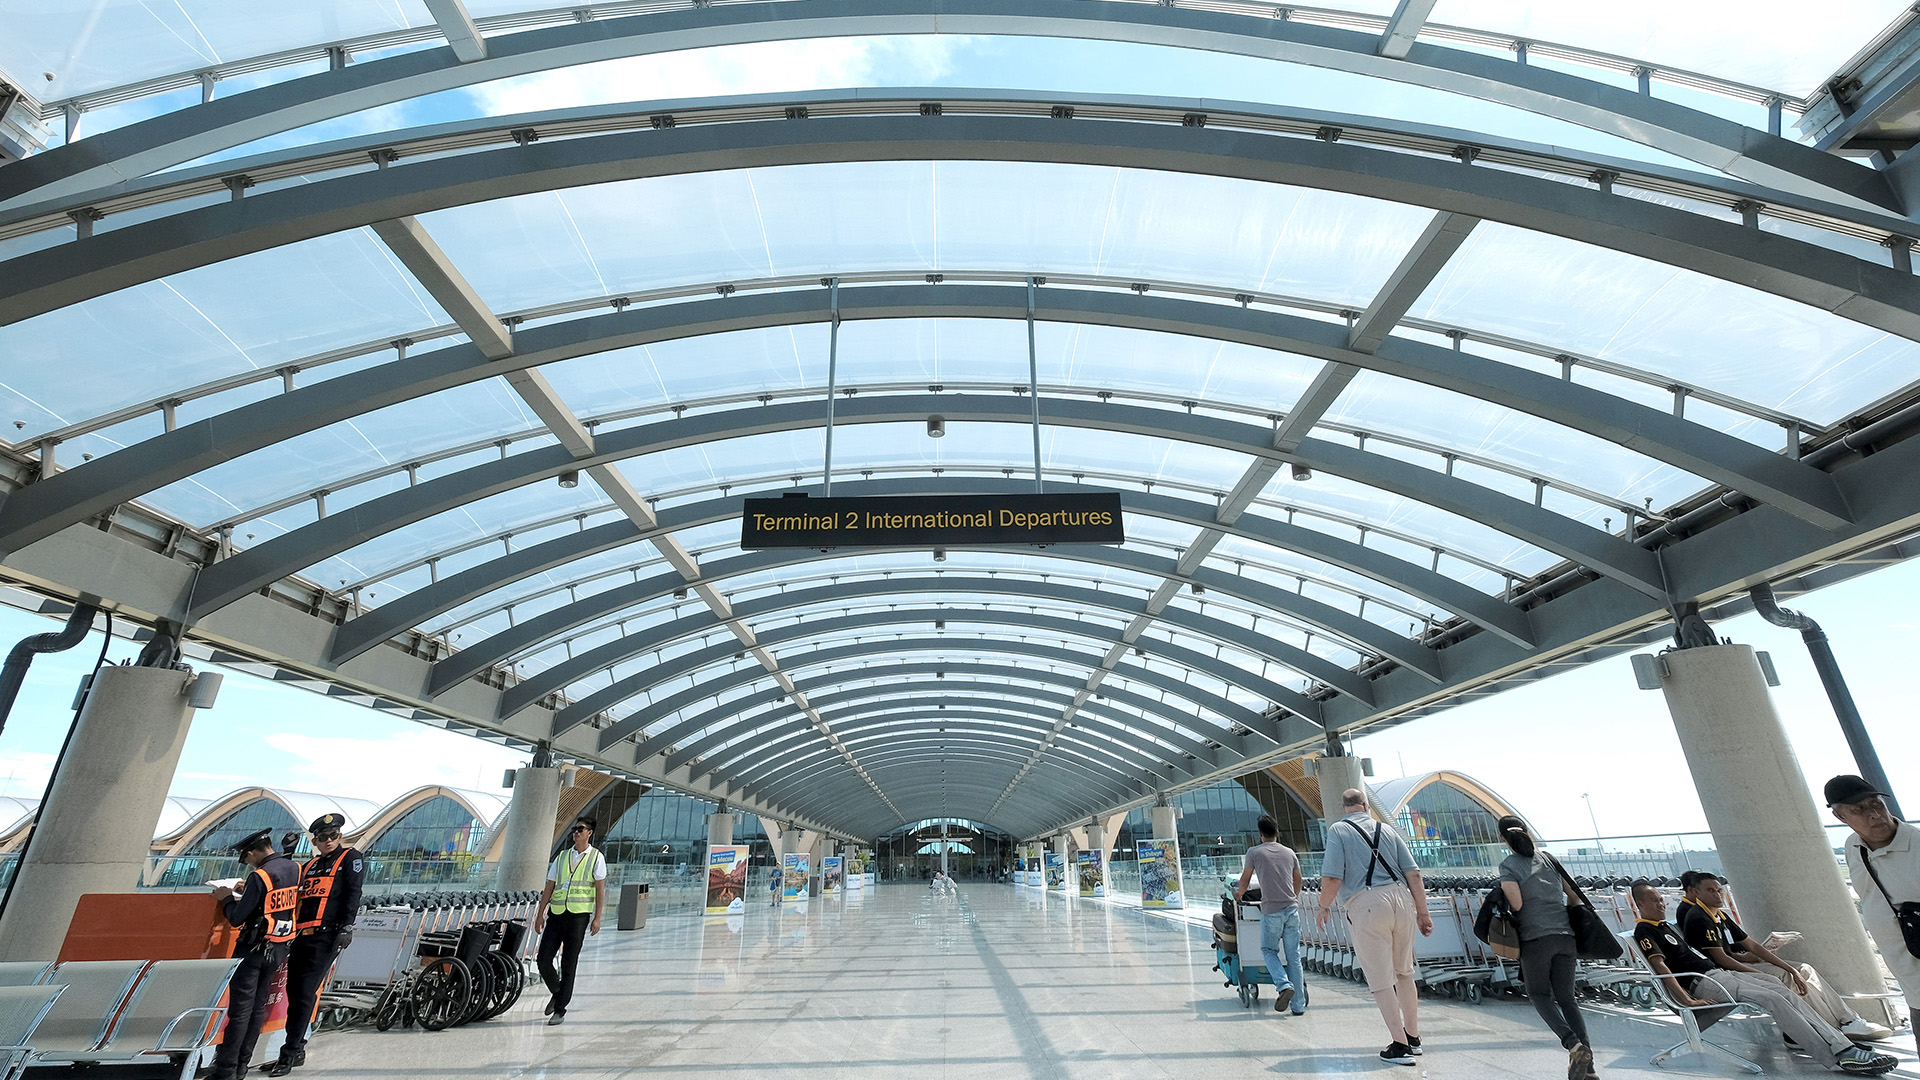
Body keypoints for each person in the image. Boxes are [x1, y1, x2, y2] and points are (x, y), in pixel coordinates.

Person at [1629, 881, 1893, 1074]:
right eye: (1654, 900)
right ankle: (1839, 1055)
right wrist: (1687, 1000)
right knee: (1773, 998)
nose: (1661, 903)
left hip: (1720, 975)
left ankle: (1840, 1042)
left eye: (1662, 898)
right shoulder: (1645, 931)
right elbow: (1662, 969)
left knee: (1779, 986)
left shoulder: (1664, 926)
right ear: (1639, 904)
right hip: (1705, 982)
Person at [1677, 871, 1891, 1041]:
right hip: (1726, 972)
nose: (1718, 895)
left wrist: (1785, 965)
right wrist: (1762, 970)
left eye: (1719, 890)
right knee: (1785, 977)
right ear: (1696, 892)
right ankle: (1827, 1026)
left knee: (1803, 969)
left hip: (1736, 962)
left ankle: (1847, 1019)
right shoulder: (1698, 917)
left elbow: (1750, 944)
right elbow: (1721, 958)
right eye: (1711, 891)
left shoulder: (1720, 914)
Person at [1314, 788, 1432, 1066]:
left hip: (1366, 903)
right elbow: (1414, 873)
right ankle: (1413, 1038)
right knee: (1404, 972)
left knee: (1380, 979)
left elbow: (1332, 878)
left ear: (1343, 807)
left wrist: (1323, 906)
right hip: (1402, 900)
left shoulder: (1338, 831)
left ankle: (1399, 1045)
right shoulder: (1388, 830)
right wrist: (1423, 913)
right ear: (1366, 806)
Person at [1495, 816, 1596, 1080]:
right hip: (1566, 937)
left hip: (1536, 939)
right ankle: (1590, 1068)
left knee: (1539, 994)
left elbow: (1516, 904)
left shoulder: (1508, 865)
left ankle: (1572, 1044)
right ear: (1527, 833)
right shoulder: (1549, 859)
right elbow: (1573, 896)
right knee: (1568, 999)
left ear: (1502, 839)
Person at [264, 814, 364, 1077]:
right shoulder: (309, 866)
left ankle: (288, 1053)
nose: (329, 841)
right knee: (295, 993)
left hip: (326, 937)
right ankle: (296, 1049)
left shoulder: (350, 859)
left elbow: (354, 893)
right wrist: (286, 854)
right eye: (323, 838)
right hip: (301, 937)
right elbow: (287, 885)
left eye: (333, 836)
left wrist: (347, 926)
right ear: (316, 842)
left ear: (340, 836)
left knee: (305, 993)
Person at [1828, 775, 1920, 1057]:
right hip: (1906, 970)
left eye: (1877, 804)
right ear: (1839, 815)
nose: (1874, 814)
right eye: (1859, 810)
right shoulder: (1853, 848)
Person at [208, 829, 299, 1080]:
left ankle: (226, 1071)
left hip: (254, 949)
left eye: (246, 859)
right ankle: (242, 1066)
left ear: (251, 853)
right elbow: (275, 897)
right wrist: (248, 888)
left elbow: (237, 918)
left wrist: (227, 897)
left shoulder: (260, 875)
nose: (248, 863)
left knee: (240, 1012)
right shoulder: (293, 868)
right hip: (279, 947)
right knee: (257, 1009)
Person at [535, 816, 605, 1027]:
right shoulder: (563, 857)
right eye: (575, 829)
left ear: (589, 833)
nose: (576, 832)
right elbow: (549, 886)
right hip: (556, 914)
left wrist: (597, 918)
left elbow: (600, 890)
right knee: (543, 959)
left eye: (580, 829)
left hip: (578, 916)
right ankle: (558, 993)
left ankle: (560, 1009)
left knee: (569, 963)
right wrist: (540, 913)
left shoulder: (596, 858)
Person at [1233, 814, 1305, 1016]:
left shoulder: (1254, 852)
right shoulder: (1290, 853)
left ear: (1261, 834)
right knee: (1294, 957)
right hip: (1291, 909)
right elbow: (1298, 880)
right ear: (1277, 832)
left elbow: (1246, 878)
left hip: (1271, 911)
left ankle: (1283, 985)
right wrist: (1293, 897)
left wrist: (1239, 894)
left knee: (1268, 950)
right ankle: (1298, 1006)